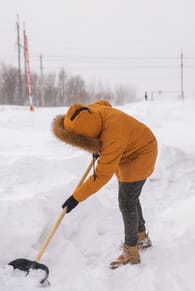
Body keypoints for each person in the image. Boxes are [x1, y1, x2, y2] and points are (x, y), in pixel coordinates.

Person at [52, 100, 158, 269]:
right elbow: (105, 103)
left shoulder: (112, 139)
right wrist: (96, 146)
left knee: (127, 200)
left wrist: (76, 198)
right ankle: (141, 237)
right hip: (128, 148)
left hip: (142, 152)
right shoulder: (92, 111)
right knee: (130, 195)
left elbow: (101, 176)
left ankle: (131, 251)